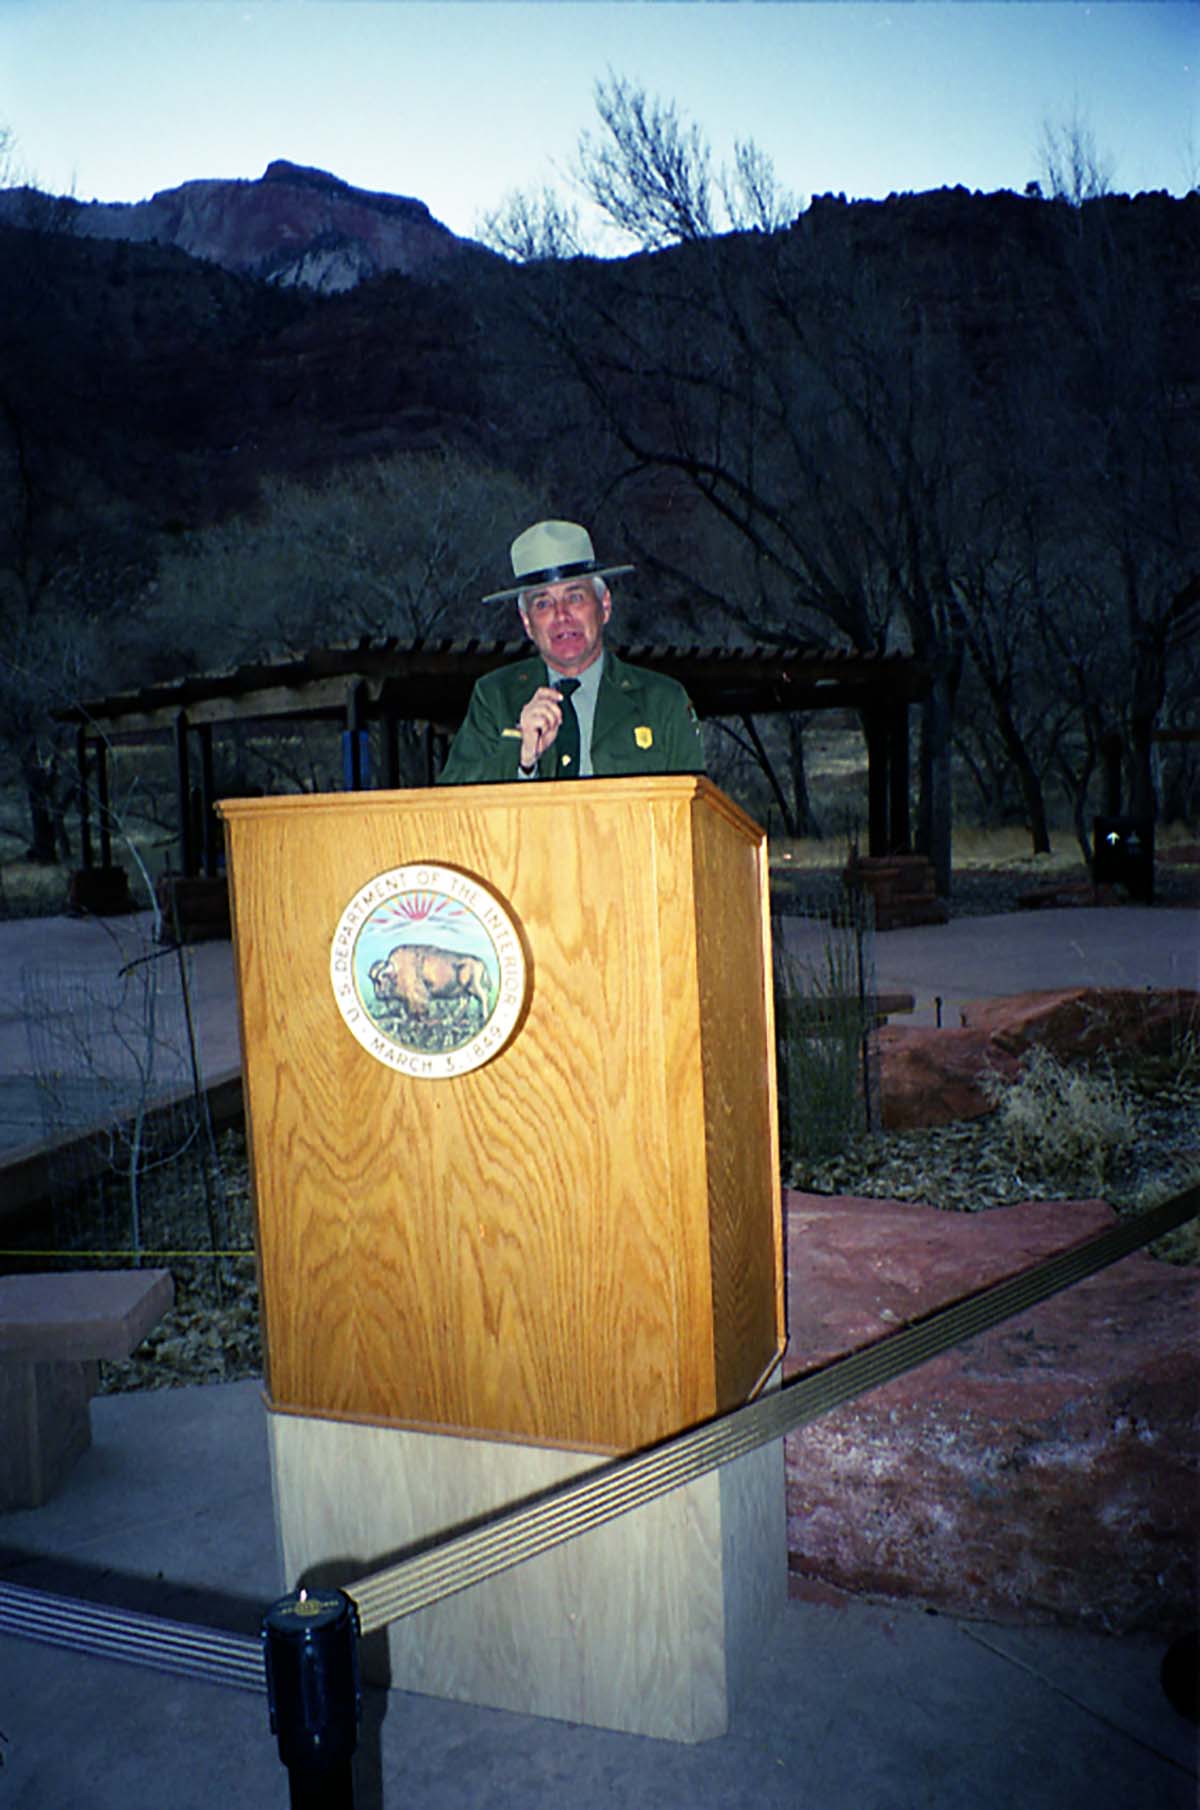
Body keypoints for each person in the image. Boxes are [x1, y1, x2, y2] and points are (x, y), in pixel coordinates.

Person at [437, 520, 706, 784]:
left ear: (604, 606)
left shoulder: (663, 702)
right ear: (527, 622)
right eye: (543, 604)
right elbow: (451, 801)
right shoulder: (494, 698)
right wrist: (520, 757)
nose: (561, 615)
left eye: (575, 597)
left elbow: (698, 803)